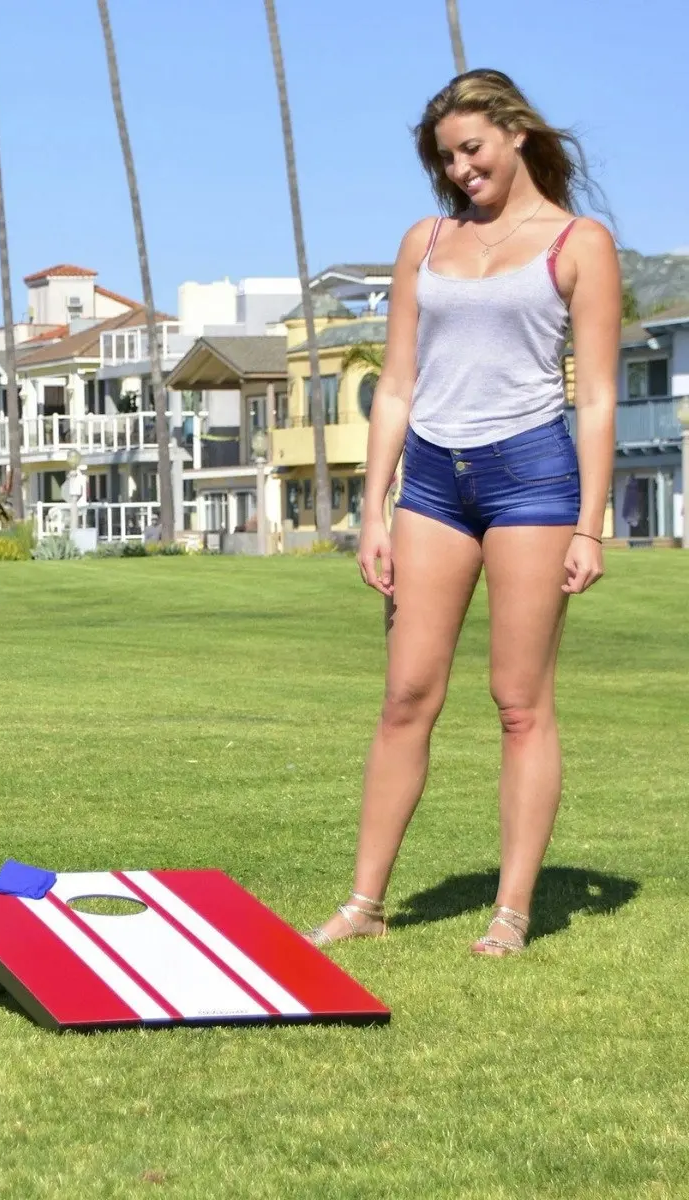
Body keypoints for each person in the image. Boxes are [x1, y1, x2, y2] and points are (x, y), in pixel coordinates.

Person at [308, 70, 619, 957]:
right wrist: (373, 510)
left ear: (516, 134)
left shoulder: (577, 242)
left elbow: (595, 396)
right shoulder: (427, 240)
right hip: (434, 484)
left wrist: (590, 525)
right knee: (406, 695)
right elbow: (397, 385)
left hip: (532, 479)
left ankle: (512, 911)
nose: (461, 169)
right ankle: (364, 902)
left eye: (472, 148)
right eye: (447, 157)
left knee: (519, 703)